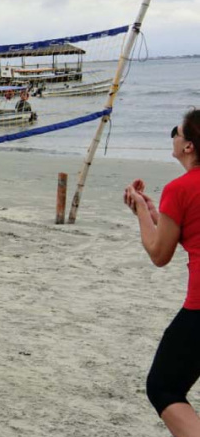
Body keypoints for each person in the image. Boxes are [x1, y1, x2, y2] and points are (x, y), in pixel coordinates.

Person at [123, 109, 200, 437]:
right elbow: (188, 231)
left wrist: (141, 211)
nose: (173, 137)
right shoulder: (180, 193)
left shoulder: (180, 188)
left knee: (163, 386)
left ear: (188, 146)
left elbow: (159, 254)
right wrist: (156, 213)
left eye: (175, 132)